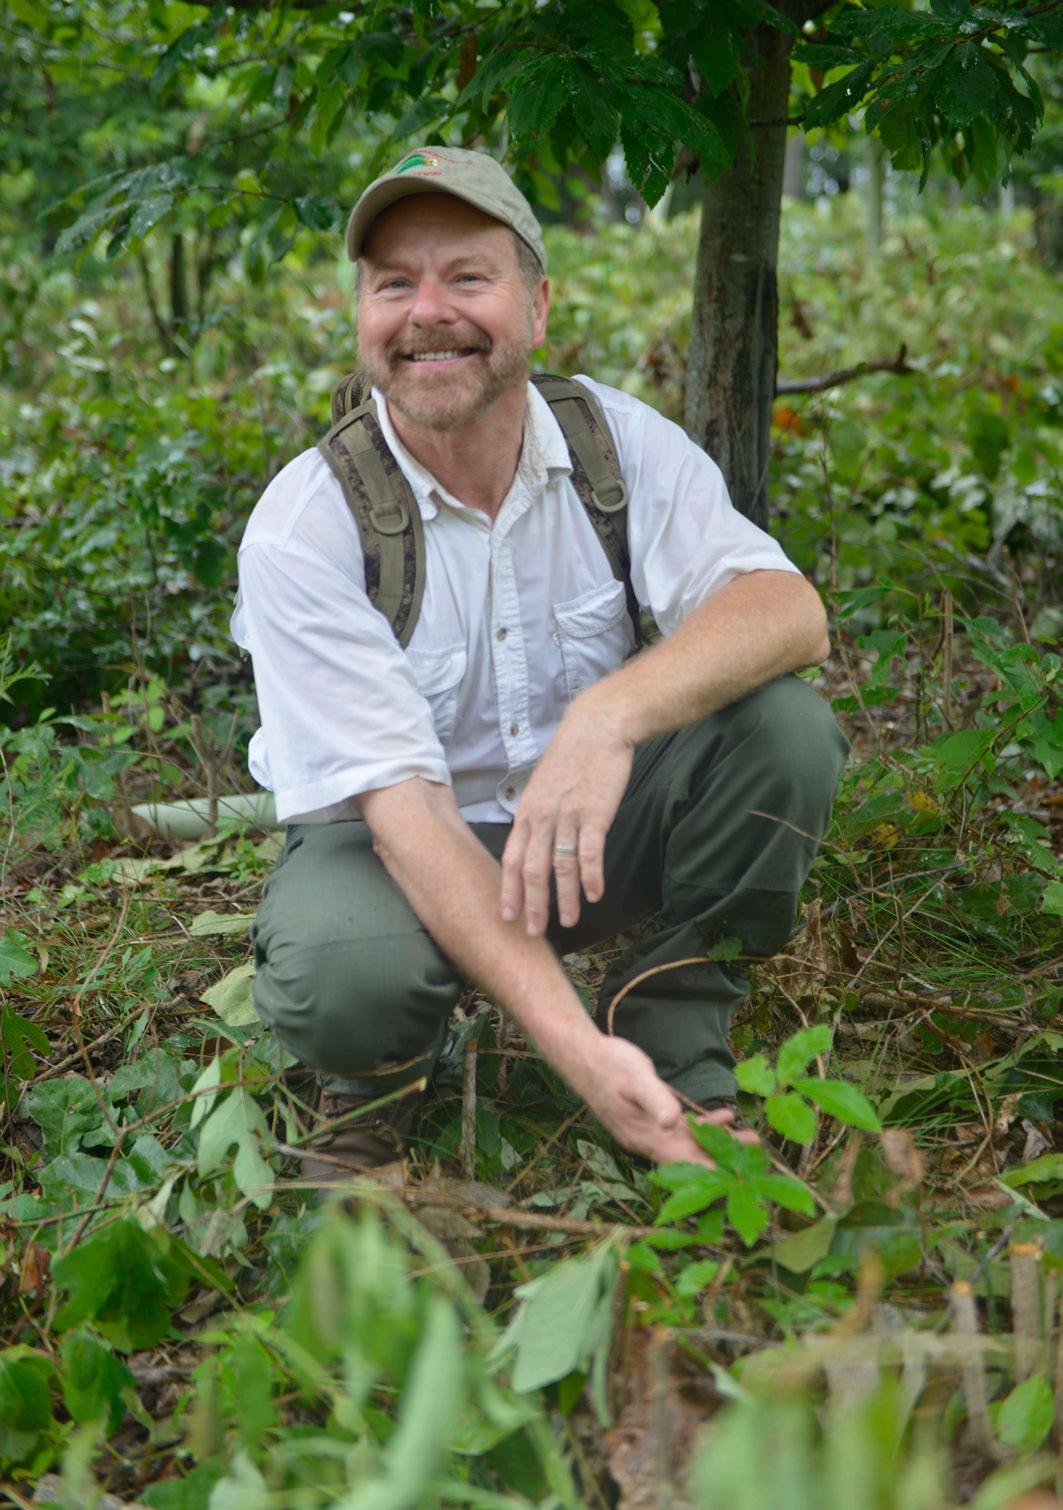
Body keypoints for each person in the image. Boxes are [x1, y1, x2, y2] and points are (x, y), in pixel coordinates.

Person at [233, 146, 848, 1186]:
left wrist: (608, 717)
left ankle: (670, 1038)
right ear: (361, 314)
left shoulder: (614, 443)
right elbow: (409, 819)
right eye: (394, 284)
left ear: (538, 303)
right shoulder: (306, 526)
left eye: (467, 277)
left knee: (783, 733)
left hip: (585, 837)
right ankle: (378, 1081)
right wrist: (576, 1062)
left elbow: (788, 610)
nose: (429, 313)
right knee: (344, 972)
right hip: (402, 854)